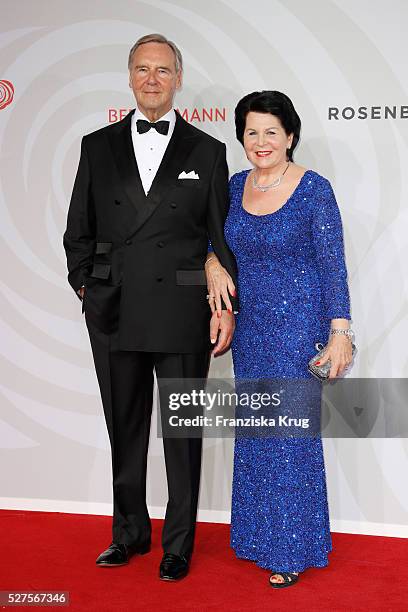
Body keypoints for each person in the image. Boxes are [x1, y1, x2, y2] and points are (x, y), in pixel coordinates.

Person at [63, 33, 237, 581]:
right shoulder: (97, 146)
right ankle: (129, 533)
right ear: (130, 77)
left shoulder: (208, 151)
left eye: (163, 70)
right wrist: (87, 287)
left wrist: (219, 290)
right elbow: (78, 231)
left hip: (182, 311)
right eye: (142, 69)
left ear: (178, 79)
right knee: (126, 427)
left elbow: (222, 235)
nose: (152, 79)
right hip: (113, 310)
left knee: (182, 433)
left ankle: (178, 543)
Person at [205, 90, 353, 588]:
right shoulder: (233, 185)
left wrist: (340, 332)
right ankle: (255, 538)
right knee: (256, 433)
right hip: (251, 329)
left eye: (271, 131)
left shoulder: (314, 189)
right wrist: (209, 264)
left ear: (290, 135)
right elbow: (215, 242)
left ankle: (292, 546)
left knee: (288, 436)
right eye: (251, 132)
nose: (261, 141)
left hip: (298, 328)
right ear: (241, 139)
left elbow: (333, 265)